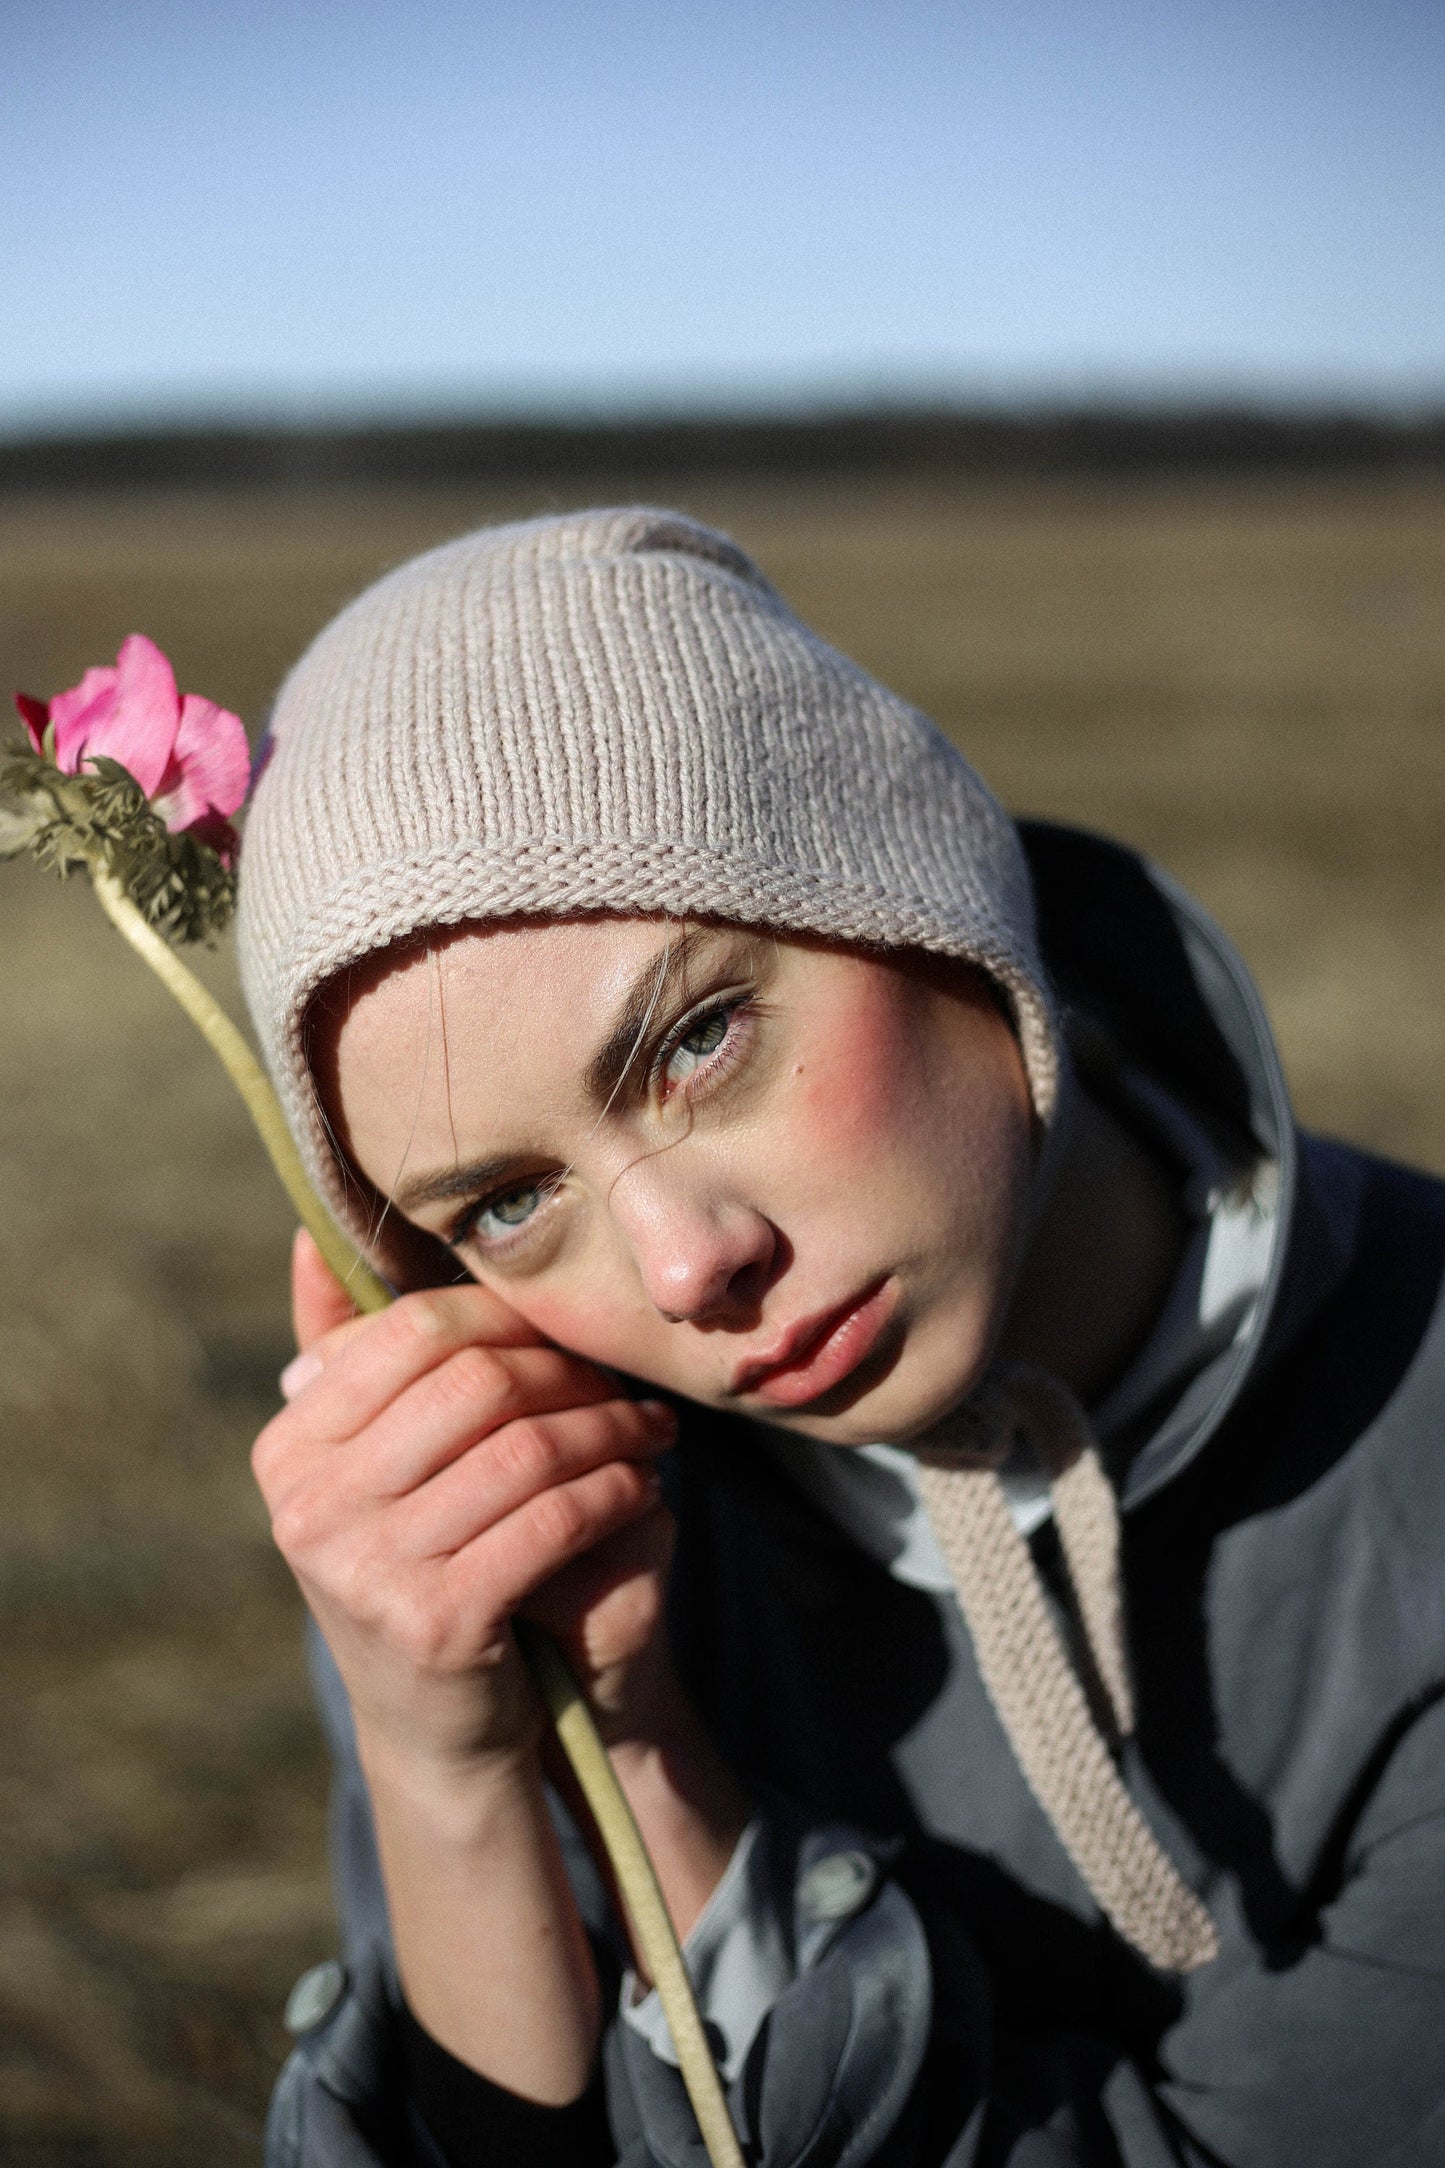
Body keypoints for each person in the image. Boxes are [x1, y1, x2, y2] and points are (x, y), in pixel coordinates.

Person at [236, 508, 1445, 2168]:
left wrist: (676, 1802)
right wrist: (466, 1778)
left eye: (702, 1038)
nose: (681, 1266)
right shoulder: (520, 1523)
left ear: (911, 879)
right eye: (507, 1203)